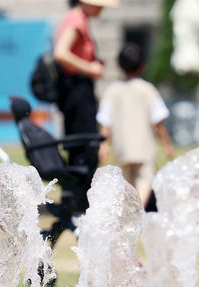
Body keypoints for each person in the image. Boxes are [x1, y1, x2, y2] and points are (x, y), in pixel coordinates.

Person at [96, 43, 175, 206]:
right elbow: (158, 121)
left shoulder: (112, 90)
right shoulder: (147, 89)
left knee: (129, 182)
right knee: (145, 180)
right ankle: (139, 210)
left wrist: (103, 145)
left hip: (122, 147)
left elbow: (105, 122)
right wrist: (167, 144)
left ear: (118, 66)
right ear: (143, 66)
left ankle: (132, 212)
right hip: (144, 148)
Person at [53, 0, 116, 175]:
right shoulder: (76, 19)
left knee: (83, 146)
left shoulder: (80, 19)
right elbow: (61, 52)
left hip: (78, 91)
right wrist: (90, 68)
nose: (101, 9)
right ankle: (80, 197)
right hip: (76, 91)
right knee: (83, 147)